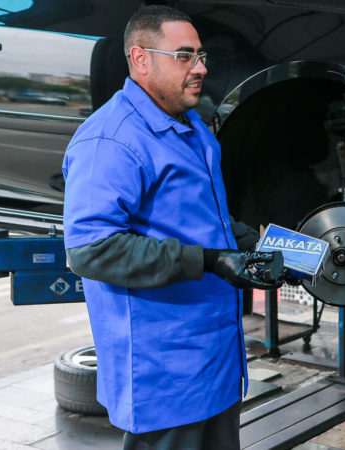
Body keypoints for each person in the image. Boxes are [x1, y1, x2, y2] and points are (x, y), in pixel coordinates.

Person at [62, 5, 283, 449]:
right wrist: (209, 260)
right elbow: (90, 249)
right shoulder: (111, 140)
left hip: (215, 359)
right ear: (141, 59)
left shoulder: (193, 126)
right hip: (163, 371)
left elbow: (202, 219)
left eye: (201, 55)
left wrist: (256, 245)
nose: (200, 67)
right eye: (185, 56)